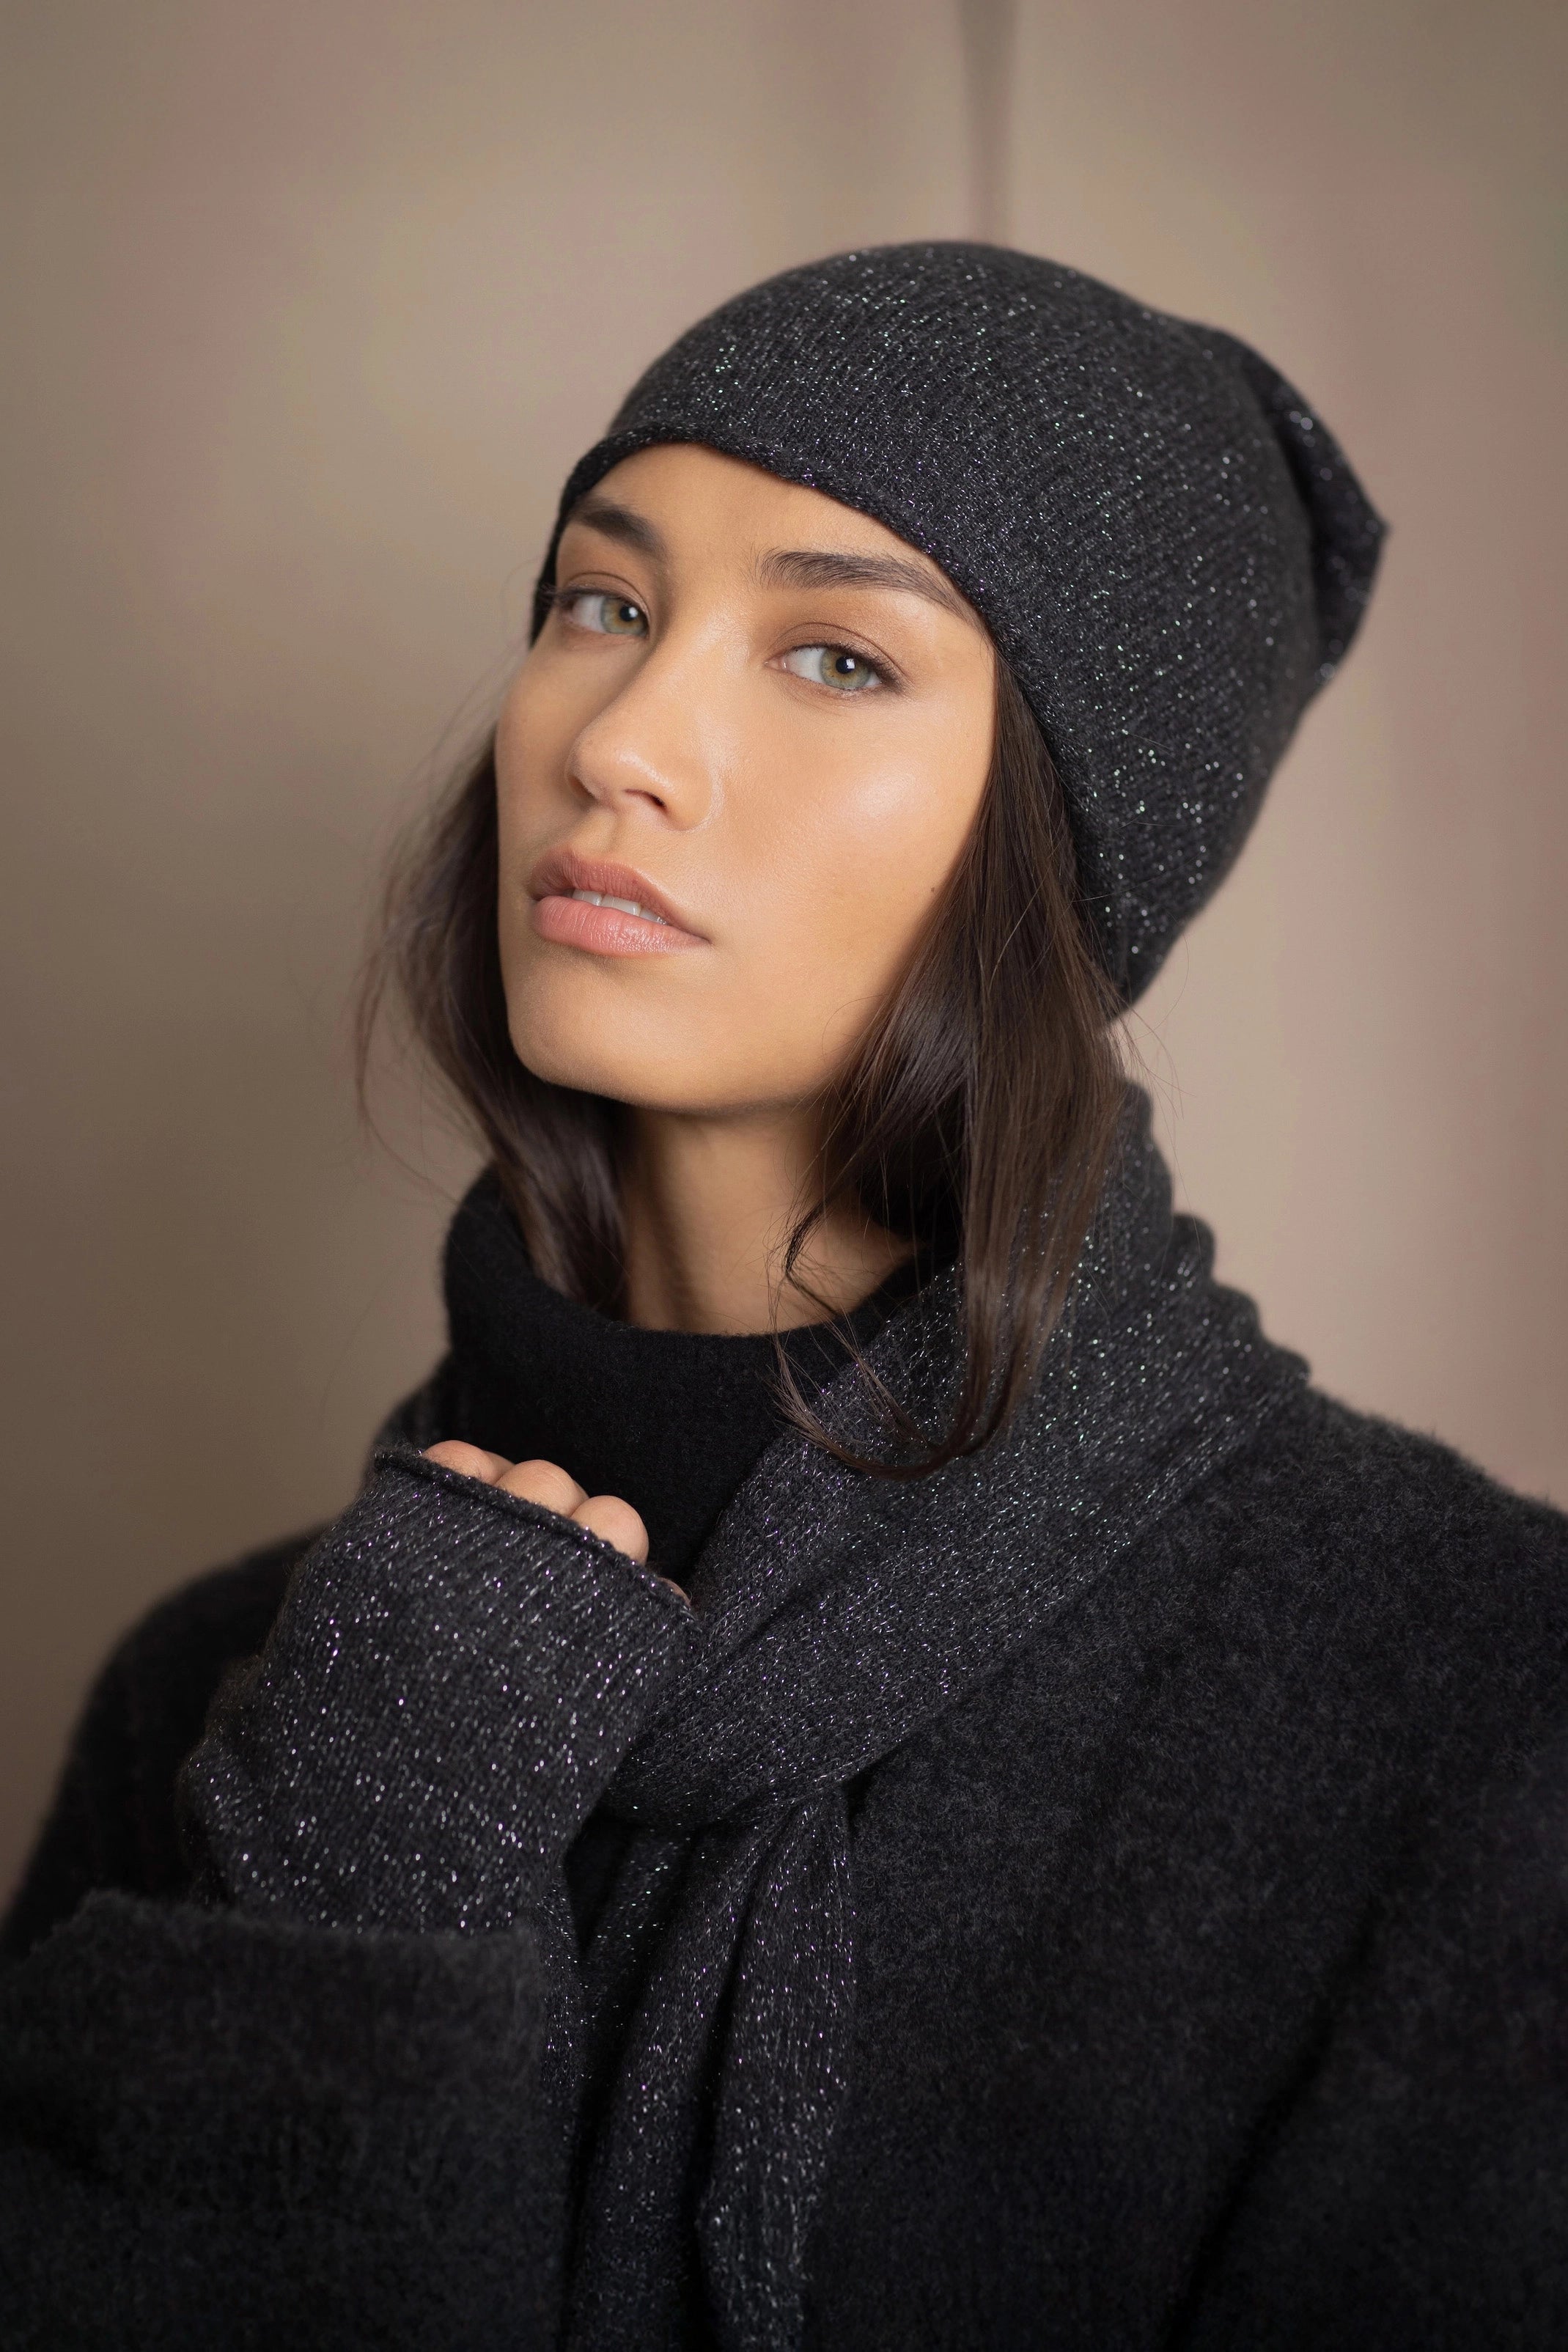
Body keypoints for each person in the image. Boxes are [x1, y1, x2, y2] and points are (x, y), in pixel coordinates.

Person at [2, 243, 1564, 2352]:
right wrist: (367, 1893)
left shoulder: (1470, 1695)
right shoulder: (228, 1692)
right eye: (600, 603)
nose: (623, 740)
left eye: (834, 658)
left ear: (1063, 849)